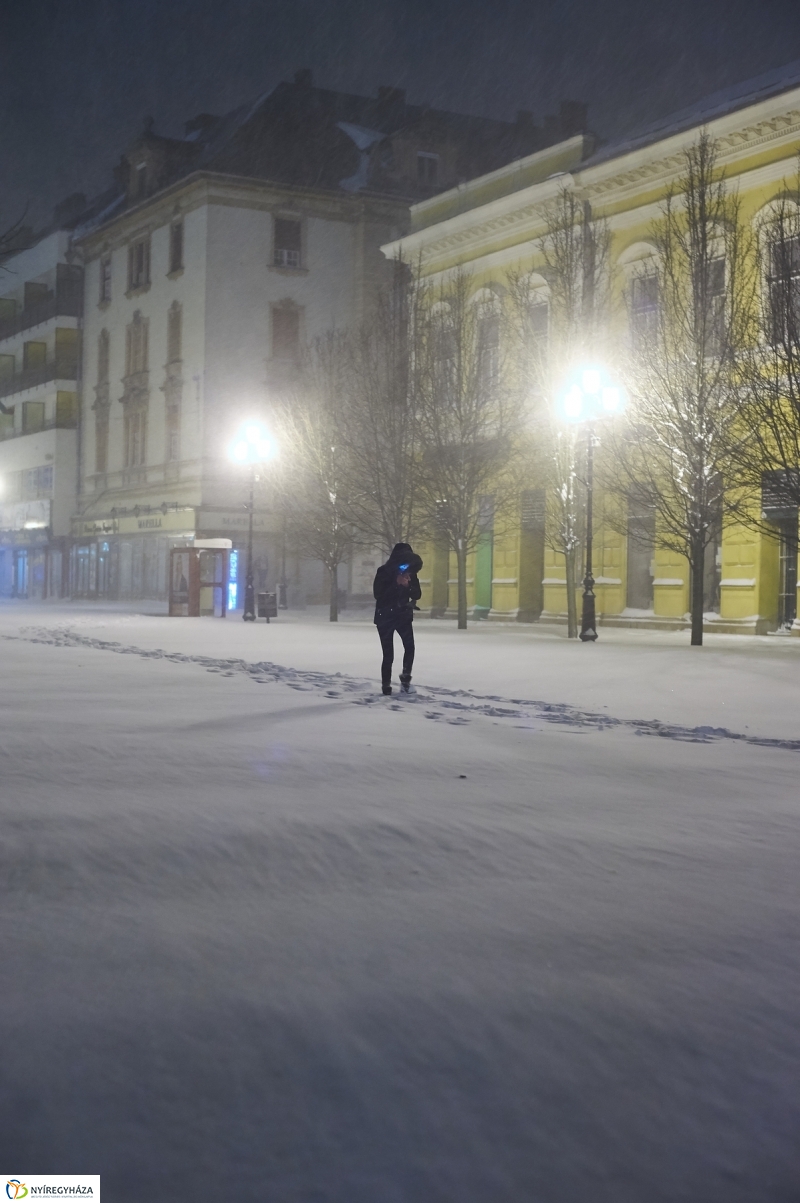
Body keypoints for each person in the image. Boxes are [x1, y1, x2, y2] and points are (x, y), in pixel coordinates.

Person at [373, 542, 423, 695]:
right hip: (385, 617)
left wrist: (407, 585)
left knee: (410, 647)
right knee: (388, 654)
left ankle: (406, 679)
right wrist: (396, 584)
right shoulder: (383, 571)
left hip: (402, 616)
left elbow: (417, 594)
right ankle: (386, 685)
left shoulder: (411, 574)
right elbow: (378, 594)